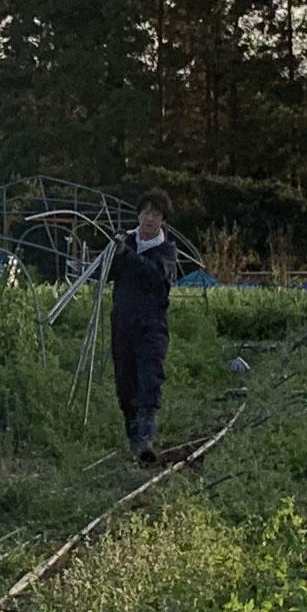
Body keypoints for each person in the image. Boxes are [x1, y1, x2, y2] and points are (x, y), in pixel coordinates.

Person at [109, 190, 180, 460]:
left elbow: (153, 275)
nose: (150, 219)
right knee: (125, 384)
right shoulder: (125, 243)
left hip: (151, 326)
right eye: (146, 212)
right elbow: (104, 272)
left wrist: (125, 254)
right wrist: (115, 251)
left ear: (163, 221)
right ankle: (133, 440)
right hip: (122, 324)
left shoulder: (166, 251)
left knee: (149, 379)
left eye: (157, 214)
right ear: (138, 214)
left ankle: (146, 441)